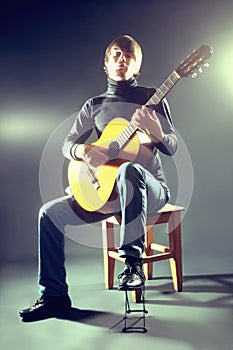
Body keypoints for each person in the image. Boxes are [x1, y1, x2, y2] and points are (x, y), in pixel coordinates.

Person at [19, 35, 178, 322]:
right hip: (108, 194)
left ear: (137, 66)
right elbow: (67, 144)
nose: (122, 58)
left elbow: (172, 147)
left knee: (130, 171)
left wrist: (156, 133)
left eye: (129, 55)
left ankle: (132, 265)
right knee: (48, 213)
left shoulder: (152, 98)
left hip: (150, 190)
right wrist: (84, 151)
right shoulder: (93, 105)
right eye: (116, 54)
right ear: (106, 65)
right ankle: (54, 297)